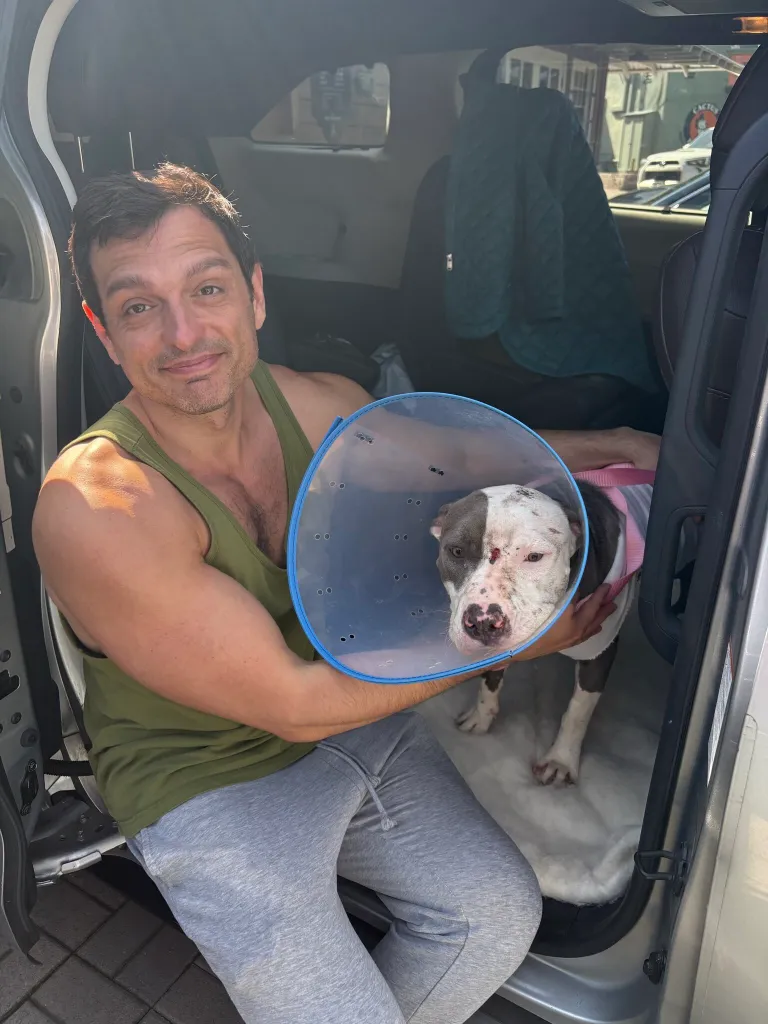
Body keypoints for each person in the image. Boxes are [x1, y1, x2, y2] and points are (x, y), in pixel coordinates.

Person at [33, 164, 660, 1024]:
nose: (184, 332)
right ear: (104, 332)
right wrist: (527, 642)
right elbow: (294, 703)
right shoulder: (95, 506)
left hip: (354, 723)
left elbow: (464, 460)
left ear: (254, 295)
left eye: (207, 286)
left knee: (496, 916)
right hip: (203, 776)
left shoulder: (317, 402)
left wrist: (619, 442)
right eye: (139, 306)